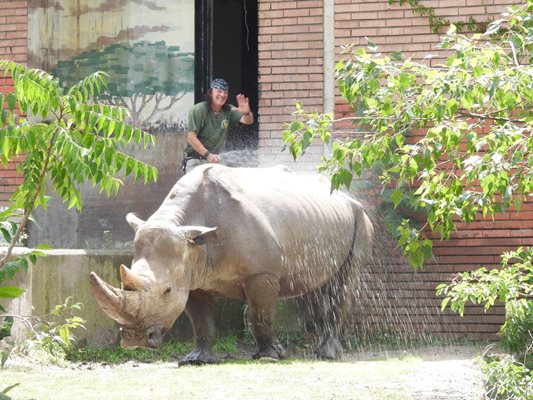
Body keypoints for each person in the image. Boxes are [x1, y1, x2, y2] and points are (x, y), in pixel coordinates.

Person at [182, 78, 254, 173]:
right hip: (196, 160)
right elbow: (191, 138)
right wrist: (208, 155)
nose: (222, 95)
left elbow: (248, 121)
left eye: (225, 92)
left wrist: (247, 113)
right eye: (219, 91)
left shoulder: (229, 110)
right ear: (211, 93)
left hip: (215, 161)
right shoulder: (199, 110)